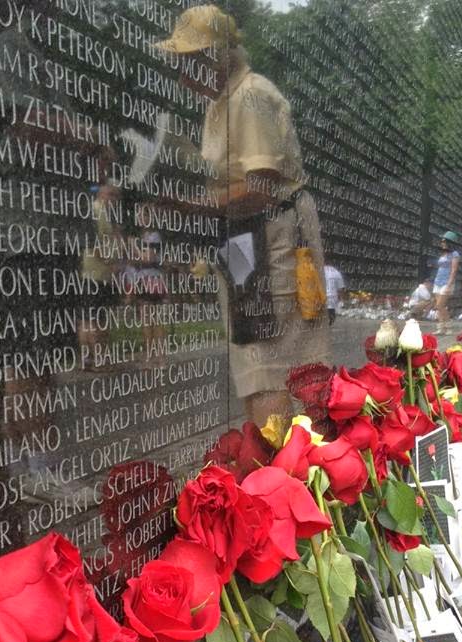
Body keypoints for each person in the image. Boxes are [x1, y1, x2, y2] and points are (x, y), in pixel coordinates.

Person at [157, 5, 330, 427]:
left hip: (274, 236)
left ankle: (288, 473)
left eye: (189, 64)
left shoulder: (250, 96)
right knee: (252, 358)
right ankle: (268, 472)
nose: (183, 78)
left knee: (274, 363)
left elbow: (262, 187)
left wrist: (187, 204)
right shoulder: (220, 104)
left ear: (217, 56)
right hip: (242, 240)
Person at [433, 231, 460, 333]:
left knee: (440, 305)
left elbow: (454, 269)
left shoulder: (455, 254)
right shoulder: (443, 253)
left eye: (444, 241)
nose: (442, 242)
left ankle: (448, 326)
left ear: (450, 242)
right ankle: (440, 328)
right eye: (442, 241)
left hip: (446, 282)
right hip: (438, 281)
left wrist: (449, 283)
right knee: (439, 306)